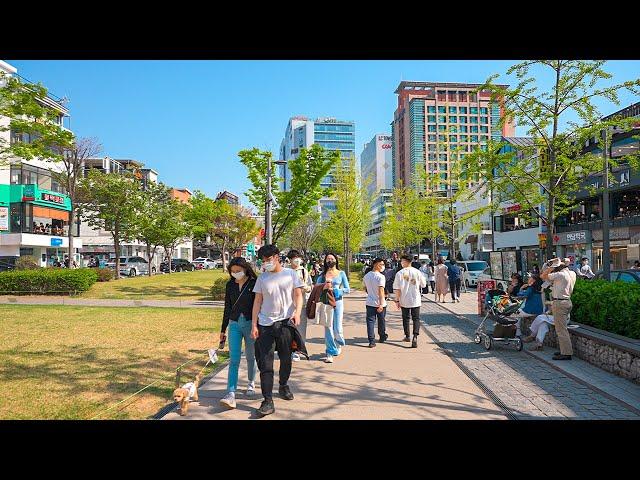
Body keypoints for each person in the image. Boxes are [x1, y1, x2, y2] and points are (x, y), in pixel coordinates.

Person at [251, 244, 304, 417]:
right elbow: (257, 302)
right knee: (265, 364)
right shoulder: (262, 278)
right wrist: (254, 325)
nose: (265, 263)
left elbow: (298, 295)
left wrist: (297, 313)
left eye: (268, 260)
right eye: (263, 261)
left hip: (285, 324)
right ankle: (267, 400)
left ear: (276, 257)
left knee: (286, 359)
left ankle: (283, 385)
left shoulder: (291, 274)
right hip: (265, 324)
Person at [219, 257, 259, 409]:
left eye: (238, 271)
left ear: (245, 269)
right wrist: (223, 330)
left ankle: (251, 382)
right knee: (234, 359)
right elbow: (227, 308)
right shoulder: (230, 285)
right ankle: (230, 392)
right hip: (234, 324)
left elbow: (258, 306)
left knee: (250, 356)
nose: (236, 274)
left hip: (250, 324)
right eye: (233, 271)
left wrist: (257, 326)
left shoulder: (254, 284)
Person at [316, 253, 350, 363]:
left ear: (336, 260)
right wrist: (324, 286)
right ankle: (330, 352)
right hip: (326, 303)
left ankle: (339, 343)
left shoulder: (341, 274)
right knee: (328, 327)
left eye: (332, 258)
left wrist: (336, 291)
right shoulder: (322, 275)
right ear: (325, 261)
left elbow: (347, 289)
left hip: (338, 302)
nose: (330, 260)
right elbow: (316, 288)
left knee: (338, 328)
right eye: (328, 259)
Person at [540, 257, 577, 361]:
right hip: (567, 301)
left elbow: (543, 276)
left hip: (559, 303)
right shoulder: (572, 273)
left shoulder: (560, 275)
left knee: (561, 330)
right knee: (563, 328)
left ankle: (566, 353)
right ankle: (564, 350)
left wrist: (551, 267)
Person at [393, 254, 426, 348]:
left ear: (405, 261)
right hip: (415, 299)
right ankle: (415, 336)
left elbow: (397, 289)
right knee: (416, 318)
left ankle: (407, 336)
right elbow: (423, 285)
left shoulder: (400, 273)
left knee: (406, 318)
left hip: (404, 299)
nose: (401, 262)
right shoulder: (417, 272)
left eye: (402, 261)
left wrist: (397, 300)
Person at [286, 249, 313, 361]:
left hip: (301, 304)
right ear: (290, 260)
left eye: (298, 258)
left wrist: (304, 287)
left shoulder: (303, 271)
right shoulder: (285, 271)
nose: (297, 260)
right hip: (287, 304)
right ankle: (288, 349)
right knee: (288, 329)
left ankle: (298, 351)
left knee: (301, 328)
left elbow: (310, 287)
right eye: (294, 258)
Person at [363, 257, 388, 348]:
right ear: (376, 264)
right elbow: (381, 291)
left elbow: (365, 288)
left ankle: (371, 341)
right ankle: (382, 336)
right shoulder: (380, 277)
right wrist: (381, 303)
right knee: (381, 321)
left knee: (370, 322)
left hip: (370, 302)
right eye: (381, 264)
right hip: (380, 303)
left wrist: (371, 294)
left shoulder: (366, 276)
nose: (383, 266)